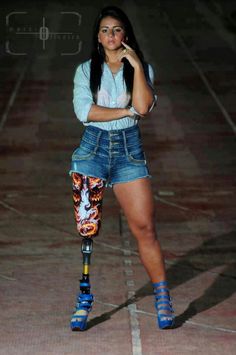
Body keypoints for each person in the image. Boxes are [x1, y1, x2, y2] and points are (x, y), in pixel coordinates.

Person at [69, 5, 175, 331]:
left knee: (144, 227)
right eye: (104, 30)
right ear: (97, 37)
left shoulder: (141, 69)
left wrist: (138, 68)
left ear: (125, 34)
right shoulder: (86, 71)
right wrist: (126, 110)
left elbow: (143, 108)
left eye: (116, 30)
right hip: (93, 152)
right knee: (87, 230)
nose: (110, 35)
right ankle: (84, 299)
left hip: (130, 153)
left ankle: (162, 297)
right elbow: (85, 113)